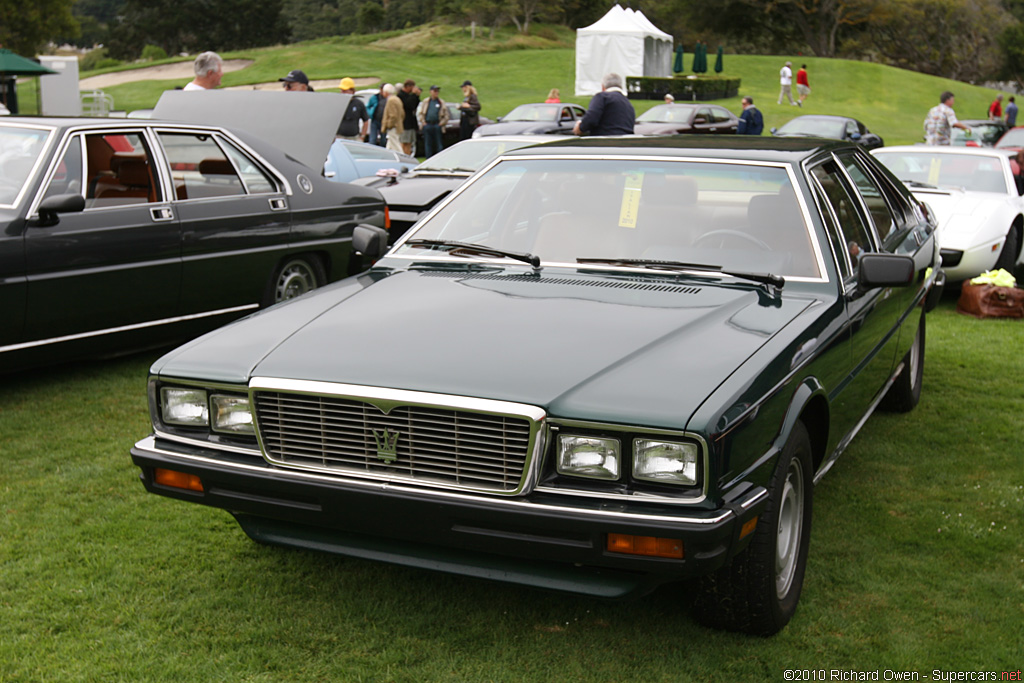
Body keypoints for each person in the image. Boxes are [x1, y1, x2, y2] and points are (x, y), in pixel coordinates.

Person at [417, 85, 450, 158]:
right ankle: (428, 158)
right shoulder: (426, 101)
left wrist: (441, 123)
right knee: (428, 143)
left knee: (439, 144)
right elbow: (421, 113)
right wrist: (423, 122)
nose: (436, 93)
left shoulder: (441, 102)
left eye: (437, 91)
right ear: (430, 92)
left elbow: (446, 115)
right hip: (428, 125)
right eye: (434, 91)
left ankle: (439, 158)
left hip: (437, 125)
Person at [337, 77, 369, 141]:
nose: (342, 92)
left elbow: (366, 121)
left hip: (354, 138)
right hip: (339, 137)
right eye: (341, 90)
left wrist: (362, 136)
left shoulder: (359, 104)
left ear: (352, 91)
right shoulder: (337, 103)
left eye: (345, 90)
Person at [397, 79, 420, 156]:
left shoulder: (409, 96)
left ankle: (408, 155)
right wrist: (413, 94)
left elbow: (413, 106)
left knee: (409, 142)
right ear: (408, 86)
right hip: (405, 123)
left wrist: (416, 96)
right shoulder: (400, 95)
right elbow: (408, 104)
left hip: (411, 123)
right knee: (404, 142)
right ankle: (403, 156)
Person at [381, 83, 405, 153]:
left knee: (395, 145)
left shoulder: (391, 100)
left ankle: (403, 160)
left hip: (393, 127)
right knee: (389, 145)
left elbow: (393, 115)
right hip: (398, 126)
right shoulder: (397, 99)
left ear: (386, 92)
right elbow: (402, 113)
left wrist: (389, 125)